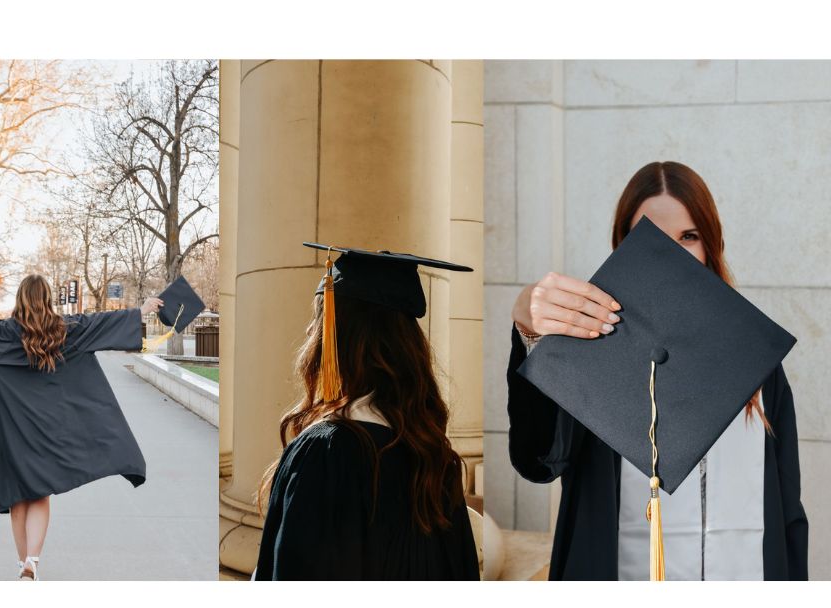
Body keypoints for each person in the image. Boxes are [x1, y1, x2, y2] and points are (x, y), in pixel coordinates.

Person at [507, 161, 808, 580]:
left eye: (688, 237)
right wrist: (530, 332)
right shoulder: (596, 355)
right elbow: (538, 461)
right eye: (648, 236)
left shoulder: (757, 364)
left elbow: (788, 511)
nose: (671, 254)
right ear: (623, 246)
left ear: (711, 244)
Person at [0, 274, 163, 580]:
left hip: (15, 428)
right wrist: (142, 310)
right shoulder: (68, 330)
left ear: (20, 299)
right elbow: (103, 322)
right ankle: (32, 562)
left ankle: (22, 561)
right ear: (47, 299)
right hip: (50, 429)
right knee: (40, 493)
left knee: (18, 494)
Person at [254, 244, 480, 580]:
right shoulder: (435, 457)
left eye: (318, 320)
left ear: (337, 336)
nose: (309, 332)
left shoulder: (323, 453)